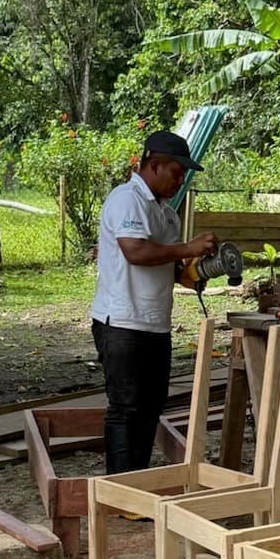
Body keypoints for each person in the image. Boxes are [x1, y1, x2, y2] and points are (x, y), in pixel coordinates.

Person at [90, 130, 216, 474]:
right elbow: (136, 251)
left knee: (149, 409)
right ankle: (121, 490)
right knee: (126, 408)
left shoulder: (167, 214)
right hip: (121, 323)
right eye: (176, 172)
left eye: (184, 174)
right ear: (155, 165)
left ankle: (138, 484)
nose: (180, 180)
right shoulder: (126, 199)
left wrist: (196, 272)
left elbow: (170, 266)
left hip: (155, 325)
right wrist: (188, 248)